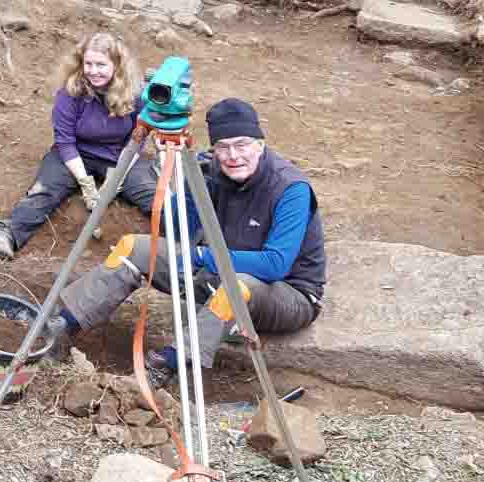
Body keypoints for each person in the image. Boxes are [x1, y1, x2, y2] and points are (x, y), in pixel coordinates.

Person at [50, 98, 326, 386]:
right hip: (217, 272)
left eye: (242, 145)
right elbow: (176, 232)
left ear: (260, 143)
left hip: (287, 293)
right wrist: (185, 182)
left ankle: (165, 365)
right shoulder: (213, 172)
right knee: (134, 247)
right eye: (223, 147)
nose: (233, 155)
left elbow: (275, 265)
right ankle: (62, 327)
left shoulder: (290, 189)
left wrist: (201, 256)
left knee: (237, 286)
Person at [0, 32, 157, 260]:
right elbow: (65, 141)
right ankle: (5, 235)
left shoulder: (136, 93)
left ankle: (181, 245)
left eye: (101, 64)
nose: (93, 71)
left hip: (120, 154)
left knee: (152, 195)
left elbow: (138, 137)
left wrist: (117, 175)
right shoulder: (70, 93)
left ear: (117, 66)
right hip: (75, 154)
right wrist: (85, 183)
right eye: (88, 64)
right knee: (44, 190)